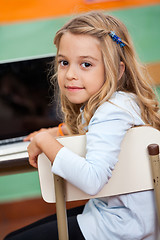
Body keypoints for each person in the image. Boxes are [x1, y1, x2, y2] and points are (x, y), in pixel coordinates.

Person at [4, 11, 160, 240]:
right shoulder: (122, 102)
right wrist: (56, 131)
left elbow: (92, 180)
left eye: (86, 64)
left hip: (121, 227)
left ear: (117, 70)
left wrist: (44, 141)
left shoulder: (111, 112)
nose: (70, 75)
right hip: (117, 215)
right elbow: (101, 132)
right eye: (64, 63)